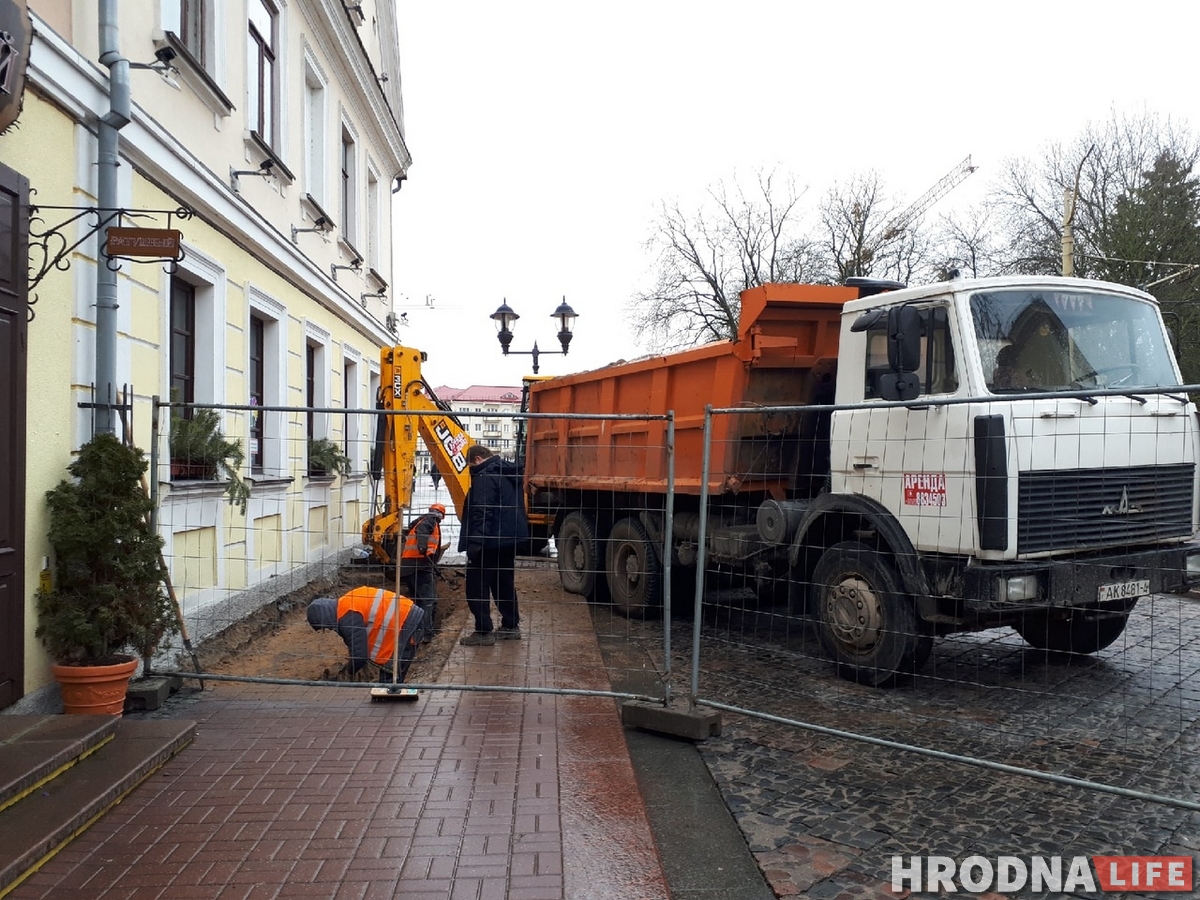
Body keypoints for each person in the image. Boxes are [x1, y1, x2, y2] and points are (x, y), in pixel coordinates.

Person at [457, 444, 528, 645]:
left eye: (471, 465)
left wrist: (475, 543)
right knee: (503, 583)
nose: (471, 470)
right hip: (507, 541)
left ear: (478, 459)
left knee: (476, 586)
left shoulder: (485, 476)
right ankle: (510, 626)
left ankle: (483, 631)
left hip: (487, 542)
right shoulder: (507, 471)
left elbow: (482, 511)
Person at [306, 587, 426, 684]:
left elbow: (360, 655)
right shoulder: (347, 602)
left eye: (325, 627)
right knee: (391, 677)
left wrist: (348, 672)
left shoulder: (348, 617)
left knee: (391, 681)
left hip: (408, 625)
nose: (329, 629)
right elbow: (355, 643)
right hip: (408, 618)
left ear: (325, 619)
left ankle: (388, 710)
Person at [399, 503, 445, 640]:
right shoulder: (430, 521)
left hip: (408, 568)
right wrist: (422, 548)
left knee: (418, 602)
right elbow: (422, 531)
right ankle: (427, 633)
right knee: (428, 601)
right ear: (441, 515)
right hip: (420, 567)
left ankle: (416, 633)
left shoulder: (420, 520)